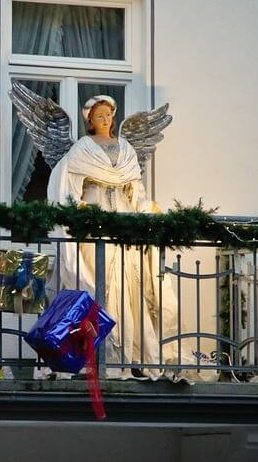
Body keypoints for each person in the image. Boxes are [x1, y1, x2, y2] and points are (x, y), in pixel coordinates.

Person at [47, 95, 180, 379]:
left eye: (108, 114)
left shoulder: (126, 149)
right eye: (99, 116)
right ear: (90, 121)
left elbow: (136, 191)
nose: (105, 119)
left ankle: (132, 355)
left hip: (124, 224)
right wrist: (78, 210)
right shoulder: (82, 149)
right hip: (95, 226)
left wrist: (146, 209)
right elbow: (68, 186)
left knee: (128, 287)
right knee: (99, 286)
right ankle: (97, 355)